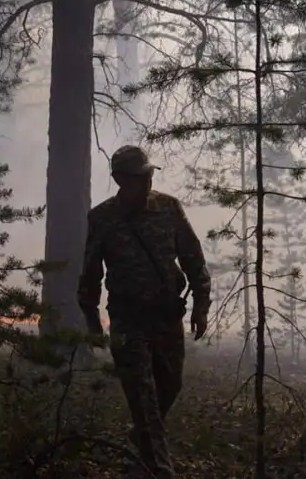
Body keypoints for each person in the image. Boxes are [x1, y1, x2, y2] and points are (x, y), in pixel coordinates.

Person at [77, 145, 212, 478]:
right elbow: (90, 272)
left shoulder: (168, 208)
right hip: (128, 319)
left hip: (167, 316)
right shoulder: (102, 218)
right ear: (121, 179)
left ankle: (141, 439)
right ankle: (160, 469)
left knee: (171, 385)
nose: (148, 180)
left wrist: (201, 305)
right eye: (141, 176)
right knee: (143, 398)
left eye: (150, 174)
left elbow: (193, 258)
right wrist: (92, 319)